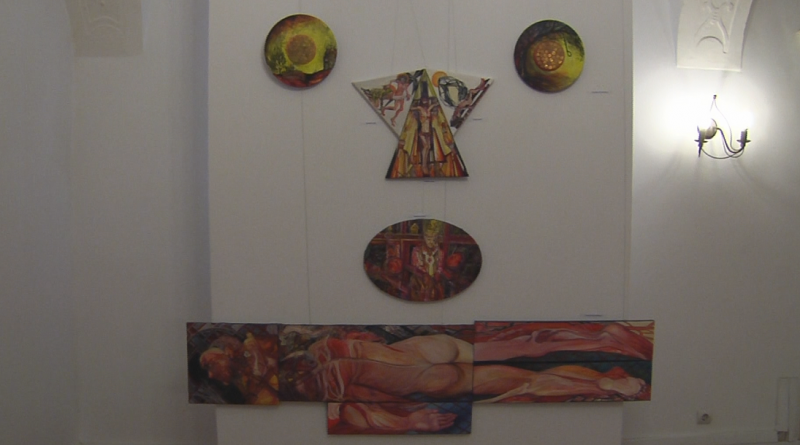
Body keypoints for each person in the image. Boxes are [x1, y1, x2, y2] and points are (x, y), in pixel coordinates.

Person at [199, 333, 279, 405]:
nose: (211, 375)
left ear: (228, 353)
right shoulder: (241, 380)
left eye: (211, 365)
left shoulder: (251, 347)